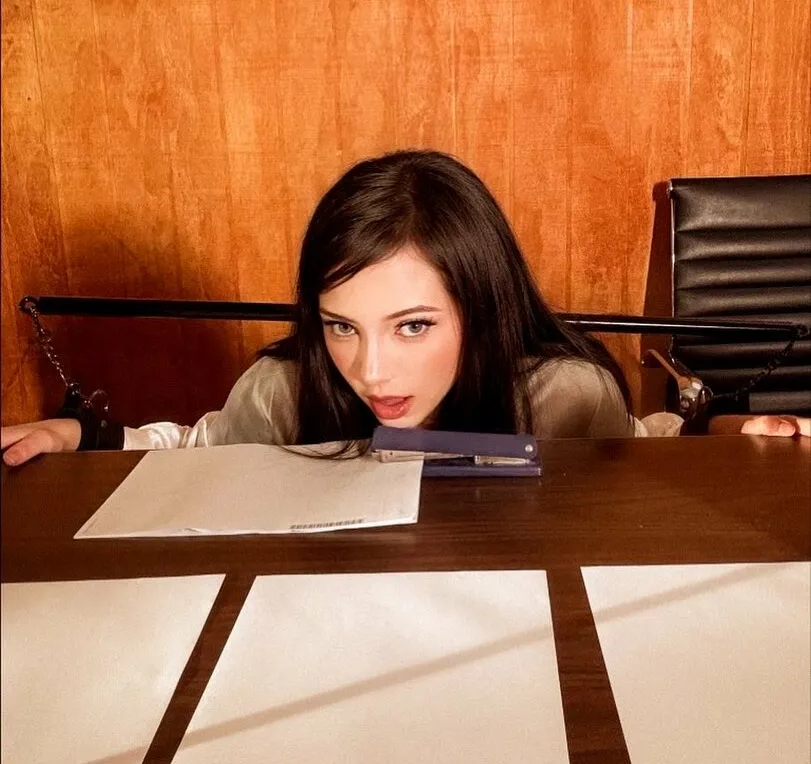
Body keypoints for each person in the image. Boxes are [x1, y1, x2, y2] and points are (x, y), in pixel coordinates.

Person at [2, 150, 808, 466]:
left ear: (481, 309)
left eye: (413, 325)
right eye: (341, 327)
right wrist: (83, 435)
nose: (371, 371)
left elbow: (635, 449)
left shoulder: (562, 393)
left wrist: (723, 433)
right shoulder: (283, 391)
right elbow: (195, 452)